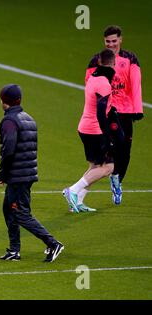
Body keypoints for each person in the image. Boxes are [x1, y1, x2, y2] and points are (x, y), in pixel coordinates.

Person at [0, 84, 64, 262]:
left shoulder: (10, 121)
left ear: (4, 101)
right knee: (8, 210)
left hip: (18, 176)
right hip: (26, 173)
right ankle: (14, 250)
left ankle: (53, 243)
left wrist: (2, 174)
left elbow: (9, 149)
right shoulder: (28, 118)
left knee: (21, 213)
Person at [85, 25, 143, 205]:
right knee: (106, 152)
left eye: (114, 41)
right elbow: (89, 84)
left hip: (125, 111)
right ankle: (80, 192)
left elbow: (135, 84)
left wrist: (138, 109)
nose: (111, 44)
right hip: (108, 112)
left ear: (120, 40)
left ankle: (117, 179)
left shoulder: (130, 58)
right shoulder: (97, 59)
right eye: (108, 41)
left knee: (125, 153)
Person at [64, 49, 116, 213]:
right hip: (95, 130)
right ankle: (72, 190)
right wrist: (107, 135)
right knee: (108, 168)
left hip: (85, 127)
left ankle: (78, 202)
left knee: (94, 167)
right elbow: (101, 111)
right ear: (113, 64)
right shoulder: (104, 83)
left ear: (99, 62)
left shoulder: (93, 77)